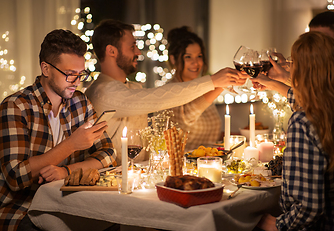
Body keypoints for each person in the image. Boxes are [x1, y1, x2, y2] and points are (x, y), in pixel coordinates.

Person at [0, 29, 116, 231]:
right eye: (70, 74)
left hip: (63, 202)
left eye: (81, 74)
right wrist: (72, 145)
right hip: (18, 209)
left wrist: (65, 172)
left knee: (113, 222)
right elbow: (16, 177)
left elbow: (107, 154)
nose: (77, 81)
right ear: (46, 68)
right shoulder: (15, 107)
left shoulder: (80, 102)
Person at [85, 19, 247, 164]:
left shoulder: (131, 87)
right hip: (114, 184)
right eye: (132, 47)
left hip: (137, 176)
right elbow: (160, 97)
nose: (138, 53)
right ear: (111, 51)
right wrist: (213, 81)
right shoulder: (103, 92)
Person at [256, 31, 334, 230]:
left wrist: (279, 225)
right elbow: (306, 102)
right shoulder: (326, 108)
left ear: (302, 71)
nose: (288, 66)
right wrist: (273, 84)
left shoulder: (302, 122)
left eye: (293, 62)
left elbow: (310, 207)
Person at [165, 26, 223, 150]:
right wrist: (220, 85)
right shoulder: (169, 91)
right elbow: (188, 117)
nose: (196, 63)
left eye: (199, 56)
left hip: (206, 161)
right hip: (180, 164)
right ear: (173, 59)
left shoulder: (203, 88)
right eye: (188, 57)